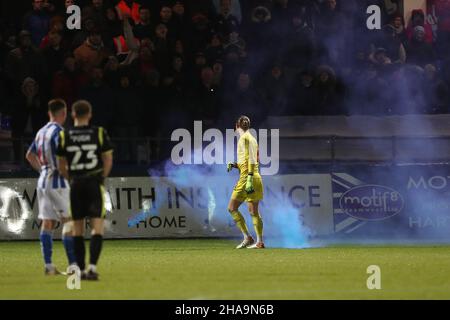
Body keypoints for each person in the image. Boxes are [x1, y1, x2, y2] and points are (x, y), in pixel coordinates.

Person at [56, 100, 113, 280]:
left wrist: (70, 178)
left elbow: (61, 164)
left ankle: (80, 270)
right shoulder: (99, 133)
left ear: (73, 115)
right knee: (97, 227)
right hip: (94, 183)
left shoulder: (65, 135)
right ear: (89, 114)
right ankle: (92, 268)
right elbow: (108, 159)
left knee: (78, 229)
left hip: (77, 184)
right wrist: (101, 178)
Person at [25, 99, 76, 275]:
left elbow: (29, 155)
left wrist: (43, 171)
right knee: (68, 222)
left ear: (49, 113)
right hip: (58, 182)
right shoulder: (60, 133)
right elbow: (63, 162)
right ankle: (73, 265)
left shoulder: (41, 132)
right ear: (63, 114)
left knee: (47, 222)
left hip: (43, 181)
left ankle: (48, 265)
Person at [227, 115, 264, 249]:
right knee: (253, 211)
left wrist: (248, 178)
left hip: (247, 178)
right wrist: (236, 165)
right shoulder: (253, 139)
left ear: (237, 126)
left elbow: (251, 160)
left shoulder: (243, 138)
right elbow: (254, 159)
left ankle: (247, 237)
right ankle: (259, 242)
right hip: (256, 176)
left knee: (232, 208)